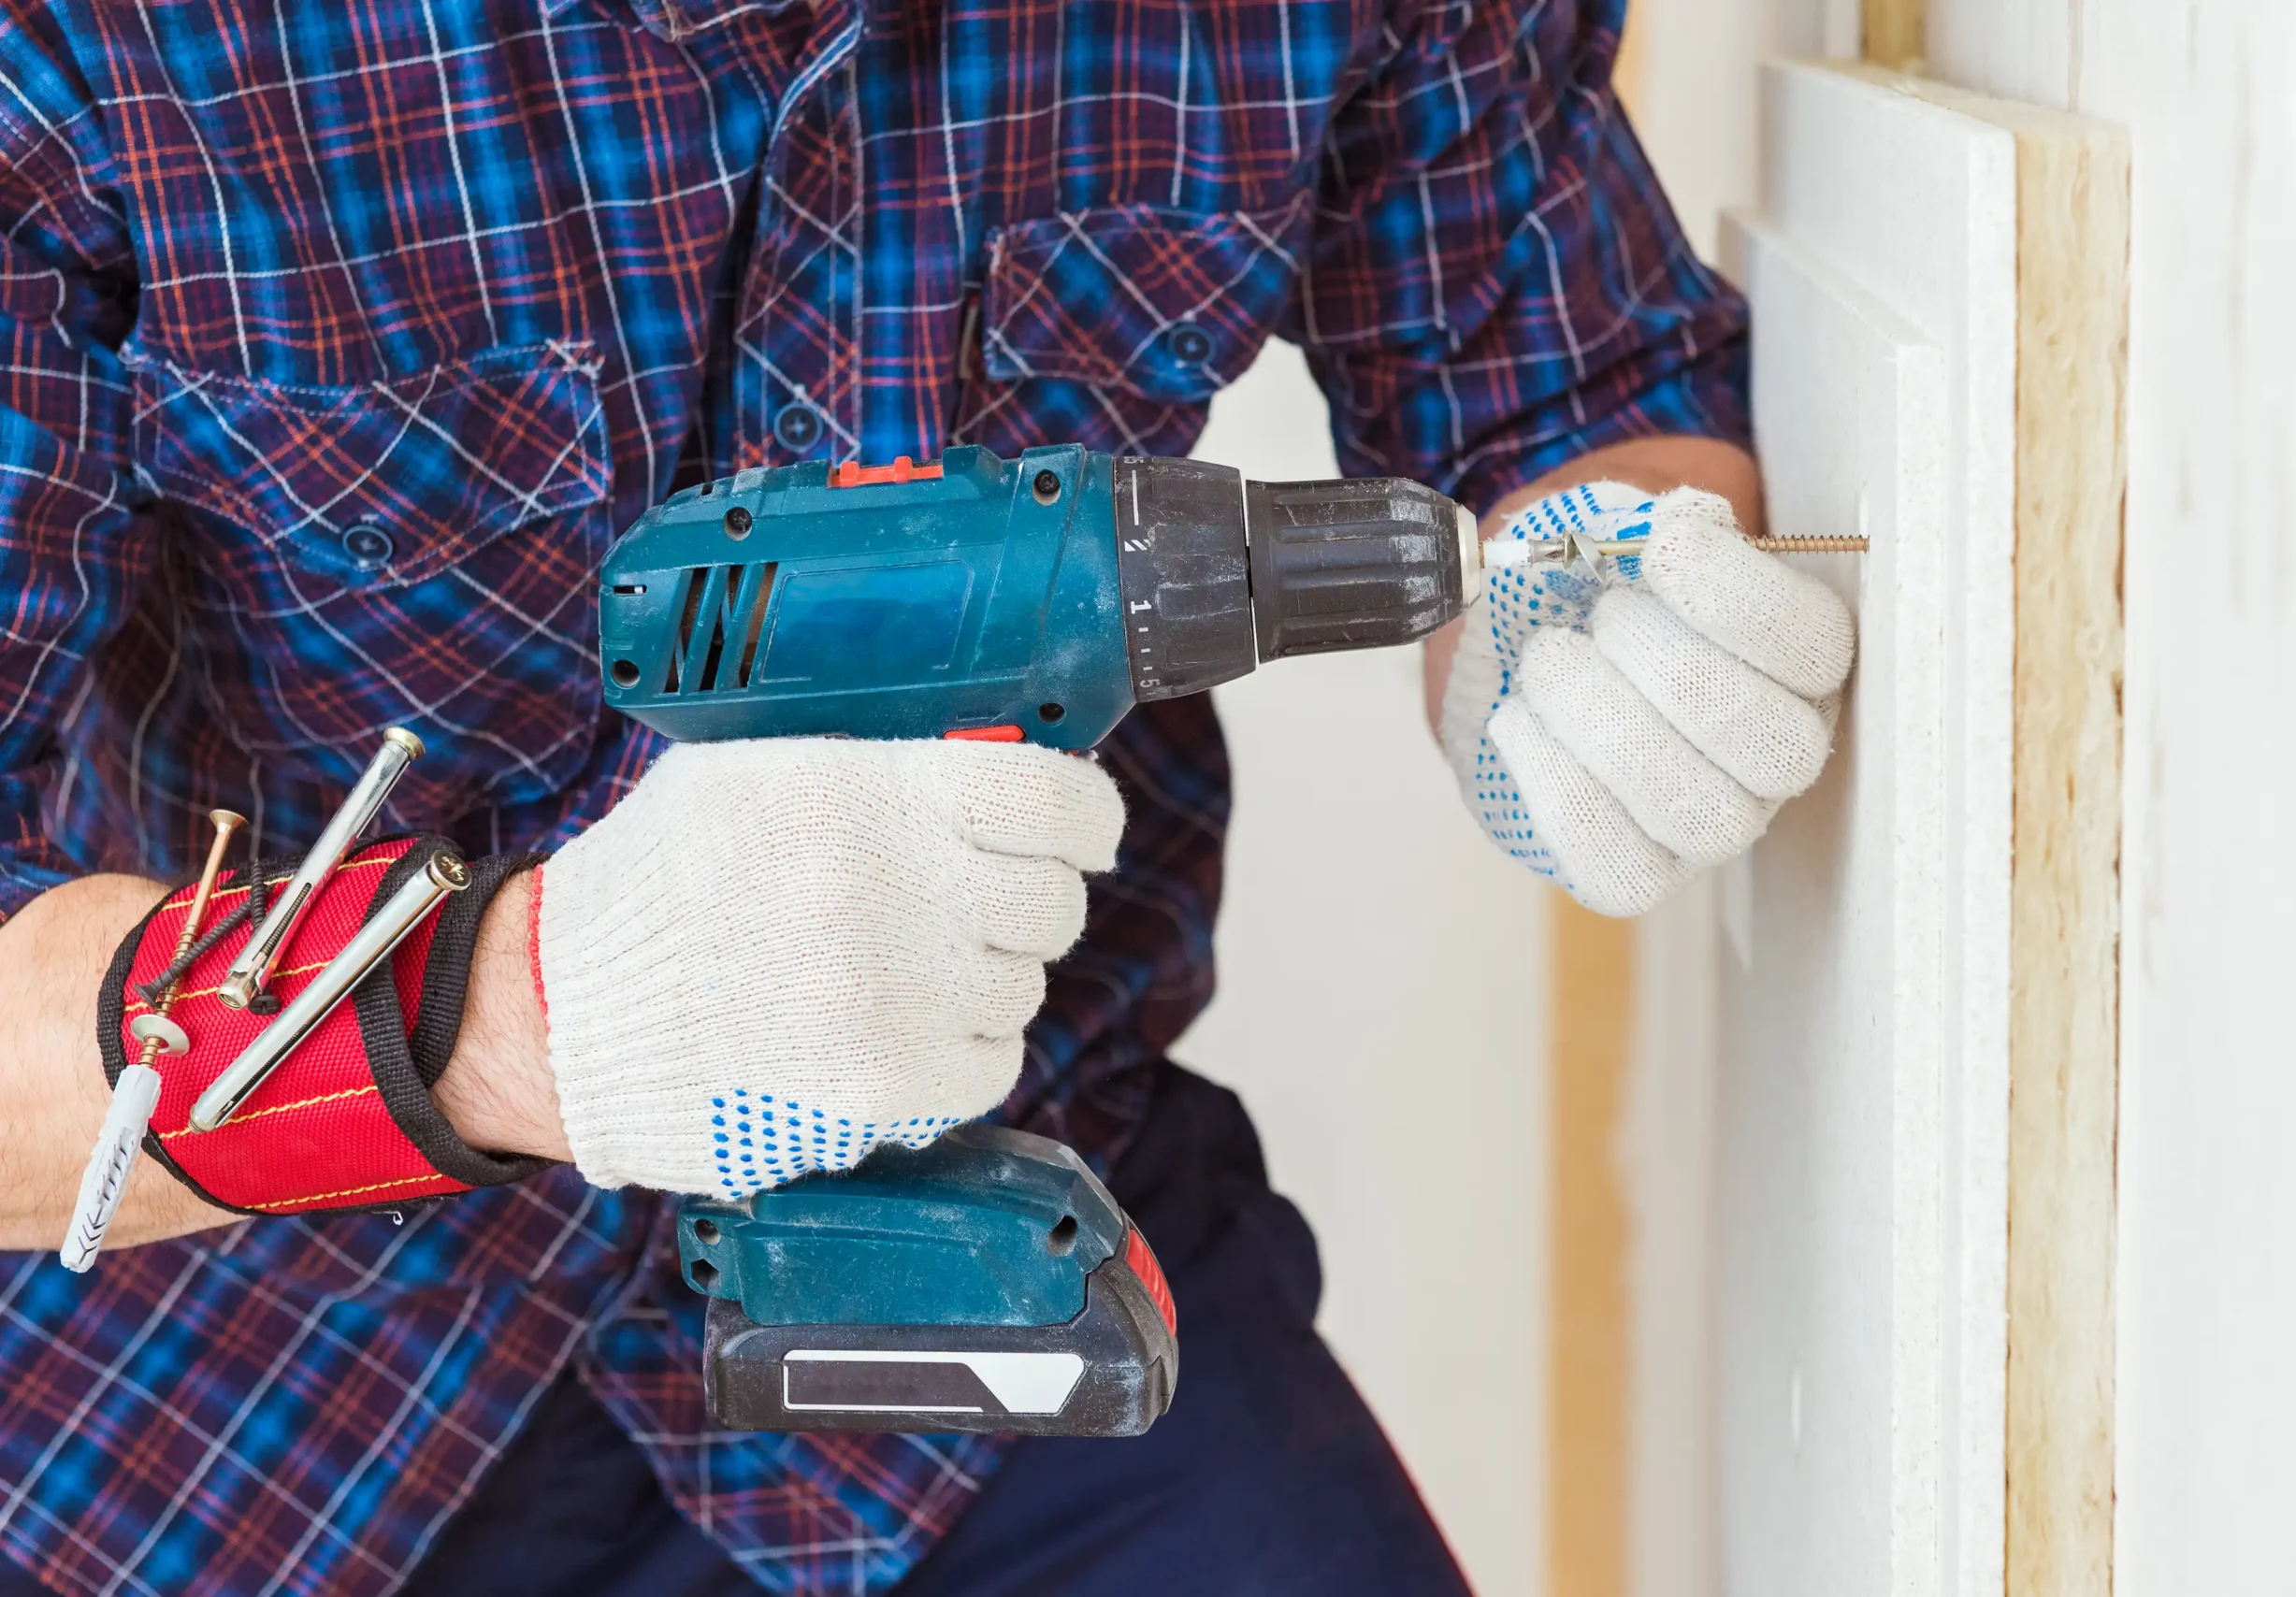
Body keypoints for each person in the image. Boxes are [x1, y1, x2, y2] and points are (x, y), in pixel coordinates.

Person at [0, 1, 1848, 1592]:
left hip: (1006, 1238)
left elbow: (1570, 397)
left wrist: (1583, 610)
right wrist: (516, 1016)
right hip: (230, 1374)